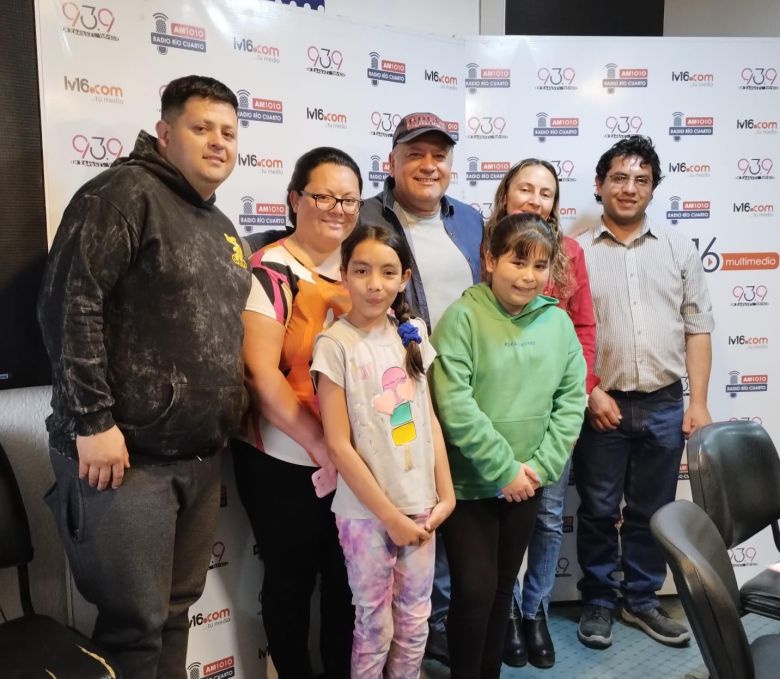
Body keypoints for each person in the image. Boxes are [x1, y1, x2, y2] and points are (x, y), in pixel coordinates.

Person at [37, 75, 249, 679]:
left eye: (228, 132)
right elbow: (67, 304)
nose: (217, 142)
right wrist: (91, 421)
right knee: (133, 625)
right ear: (163, 132)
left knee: (175, 612)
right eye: (201, 127)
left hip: (199, 458)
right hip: (124, 460)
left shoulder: (219, 225)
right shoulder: (122, 194)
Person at [430, 213, 586, 679]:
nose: (528, 275)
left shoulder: (558, 324)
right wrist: (505, 470)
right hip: (471, 485)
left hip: (529, 482)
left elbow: (571, 398)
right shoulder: (462, 318)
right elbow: (454, 402)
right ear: (491, 259)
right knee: (474, 591)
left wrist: (539, 468)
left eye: (540, 266)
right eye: (518, 262)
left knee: (502, 590)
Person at [574, 135, 713, 650]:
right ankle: (598, 602)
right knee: (597, 509)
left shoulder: (678, 249)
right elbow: (567, 333)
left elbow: (697, 327)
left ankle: (642, 599)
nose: (629, 188)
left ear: (653, 189)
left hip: (662, 403)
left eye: (641, 180)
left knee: (652, 511)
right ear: (599, 184)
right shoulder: (578, 252)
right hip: (602, 406)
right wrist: (591, 392)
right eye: (618, 178)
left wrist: (696, 401)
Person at [232, 147, 363, 679]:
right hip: (282, 461)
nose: (338, 208)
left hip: (353, 462)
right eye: (324, 196)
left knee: (346, 583)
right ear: (294, 200)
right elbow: (261, 376)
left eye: (350, 199)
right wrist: (322, 445)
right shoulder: (268, 270)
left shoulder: (364, 268)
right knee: (288, 582)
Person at [360, 111, 482, 663]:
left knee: (458, 519)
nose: (428, 166)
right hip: (399, 394)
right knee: (407, 517)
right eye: (415, 154)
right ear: (391, 162)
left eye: (439, 156)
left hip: (469, 395)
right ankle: (413, 640)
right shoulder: (367, 216)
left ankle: (443, 631)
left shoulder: (473, 221)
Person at [312, 223, 456, 679]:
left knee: (415, 625)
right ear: (344, 274)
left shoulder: (412, 332)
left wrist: (446, 497)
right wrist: (390, 517)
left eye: (388, 272)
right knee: (374, 624)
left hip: (422, 507)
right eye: (362, 270)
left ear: (404, 277)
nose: (375, 284)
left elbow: (428, 419)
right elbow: (338, 443)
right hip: (366, 514)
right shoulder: (335, 344)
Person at [485, 159, 598, 669]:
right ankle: (505, 612)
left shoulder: (570, 252)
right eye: (525, 189)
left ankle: (535, 613)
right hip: (498, 415)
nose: (535, 199)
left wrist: (571, 412)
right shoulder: (482, 245)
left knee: (550, 519)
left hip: (554, 419)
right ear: (507, 194)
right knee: (497, 520)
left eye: (546, 192)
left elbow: (585, 331)